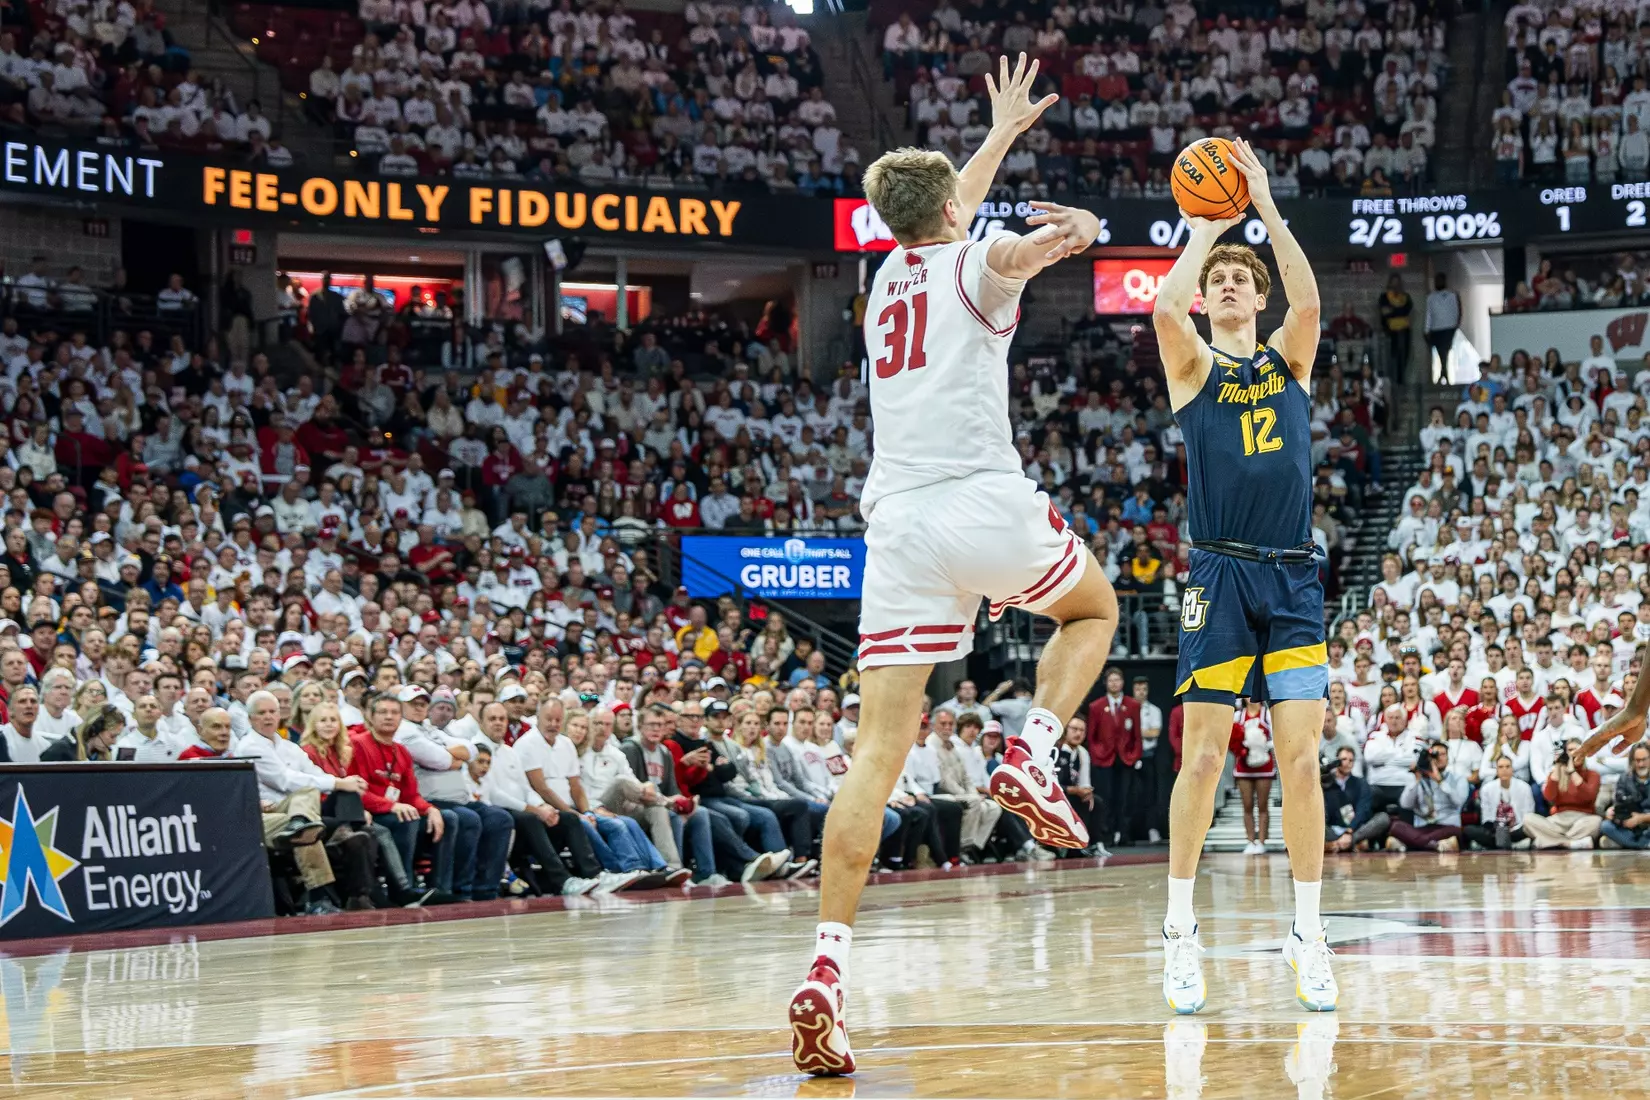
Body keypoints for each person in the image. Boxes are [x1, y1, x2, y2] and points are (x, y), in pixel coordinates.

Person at [790, 55, 1118, 1077]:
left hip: (895, 524)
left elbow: (950, 203)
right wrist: (1087, 232)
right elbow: (1024, 244)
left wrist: (1000, 136)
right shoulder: (978, 264)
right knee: (1094, 612)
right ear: (949, 211)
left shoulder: (887, 271)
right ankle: (1032, 751)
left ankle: (825, 970)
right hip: (979, 496)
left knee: (877, 753)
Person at [1151, 135, 1335, 1013]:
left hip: (1294, 578)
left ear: (1257, 297)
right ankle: (1180, 932)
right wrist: (1203, 231)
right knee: (1204, 760)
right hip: (1218, 576)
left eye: (1240, 279)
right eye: (1217, 281)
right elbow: (1160, 308)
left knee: (1301, 762)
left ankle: (1308, 932)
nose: (1229, 286)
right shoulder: (1191, 367)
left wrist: (1261, 203)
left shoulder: (1290, 358)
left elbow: (1307, 295)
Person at [1522, 736, 1603, 849]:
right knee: (1528, 820)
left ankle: (1549, 842)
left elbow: (1588, 796)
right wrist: (1557, 767)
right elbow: (1549, 797)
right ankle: (1571, 843)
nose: (1572, 753)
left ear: (1583, 753)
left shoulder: (1593, 774)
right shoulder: (1557, 774)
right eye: (1569, 750)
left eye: (1576, 750)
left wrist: (1572, 771)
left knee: (1597, 822)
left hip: (1582, 819)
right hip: (1558, 820)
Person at [1387, 742, 1468, 852]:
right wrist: (1417, 780)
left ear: (1448, 758)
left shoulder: (1458, 779)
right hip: (1423, 827)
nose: (1438, 758)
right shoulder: (1419, 778)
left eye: (1442, 754)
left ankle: (1410, 844)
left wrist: (1440, 781)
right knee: (1396, 826)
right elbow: (1405, 804)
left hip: (1446, 826)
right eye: (1435, 755)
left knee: (1456, 831)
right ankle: (1436, 846)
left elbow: (1459, 802)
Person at [1229, 699, 1275, 855]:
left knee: (1263, 805)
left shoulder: (1267, 714)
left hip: (1264, 765)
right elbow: (1232, 739)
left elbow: (1275, 737)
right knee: (1247, 805)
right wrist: (1241, 749)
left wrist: (1263, 745)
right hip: (1244, 765)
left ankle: (1262, 841)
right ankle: (1250, 841)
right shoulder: (1238, 716)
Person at [1464, 754, 1534, 850]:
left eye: (1507, 767)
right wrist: (1498, 829)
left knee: (1528, 829)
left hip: (1517, 829)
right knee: (1469, 830)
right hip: (1495, 830)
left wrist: (1512, 829)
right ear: (1496, 770)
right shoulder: (1487, 789)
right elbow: (1486, 818)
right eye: (1501, 767)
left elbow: (1528, 815)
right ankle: (1509, 844)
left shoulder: (1525, 787)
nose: (1504, 770)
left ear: (1512, 769)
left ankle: (1495, 845)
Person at [1322, 746, 1378, 852]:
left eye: (1351, 760)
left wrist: (1349, 831)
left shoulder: (1361, 783)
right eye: (1343, 759)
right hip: (1333, 830)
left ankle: (1338, 845)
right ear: (1336, 761)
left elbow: (1362, 810)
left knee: (1383, 818)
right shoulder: (1328, 783)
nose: (1347, 763)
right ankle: (1351, 844)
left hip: (1355, 829)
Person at [1602, 743, 1650, 849]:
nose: (1641, 764)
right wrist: (1612, 811)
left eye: (1644, 759)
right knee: (1606, 826)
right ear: (1632, 761)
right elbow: (1618, 802)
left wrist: (1641, 818)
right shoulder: (1624, 778)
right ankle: (1643, 844)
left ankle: (1631, 844)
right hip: (1630, 824)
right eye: (1637, 760)